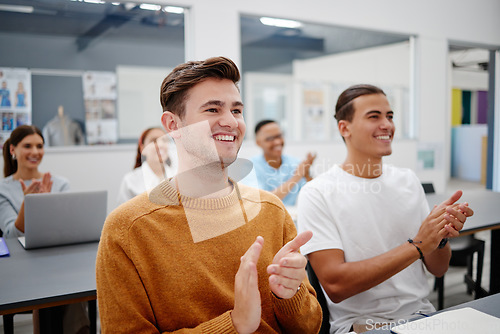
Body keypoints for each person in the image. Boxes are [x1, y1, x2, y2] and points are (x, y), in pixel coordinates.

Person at [96, 56, 322, 333]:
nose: (230, 121)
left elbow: (310, 327)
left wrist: (290, 295)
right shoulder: (128, 230)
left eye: (237, 111)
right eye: (213, 110)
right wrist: (235, 324)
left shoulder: (271, 211)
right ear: (173, 125)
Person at [297, 84, 474, 333]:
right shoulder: (317, 193)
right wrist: (418, 246)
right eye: (374, 116)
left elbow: (439, 268)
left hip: (422, 315)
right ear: (344, 128)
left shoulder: (408, 180)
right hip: (362, 325)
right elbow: (336, 286)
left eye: (390, 116)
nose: (387, 125)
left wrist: (439, 237)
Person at [0, 125, 90, 334]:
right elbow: (12, 236)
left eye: (39, 146)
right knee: (58, 286)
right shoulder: (3, 190)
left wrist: (47, 204)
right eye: (27, 146)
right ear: (12, 150)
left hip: (58, 262)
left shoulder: (59, 183)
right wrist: (28, 204)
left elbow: (68, 230)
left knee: (70, 282)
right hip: (21, 267)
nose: (35, 152)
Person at [249, 119, 316, 206]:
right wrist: (296, 177)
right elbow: (262, 202)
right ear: (258, 143)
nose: (277, 142)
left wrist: (307, 175)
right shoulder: (250, 167)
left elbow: (312, 195)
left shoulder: (296, 163)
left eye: (279, 136)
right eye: (270, 139)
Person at [116, 126, 178, 205]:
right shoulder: (130, 181)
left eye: (164, 140)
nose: (161, 145)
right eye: (154, 140)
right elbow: (123, 215)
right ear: (142, 148)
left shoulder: (178, 176)